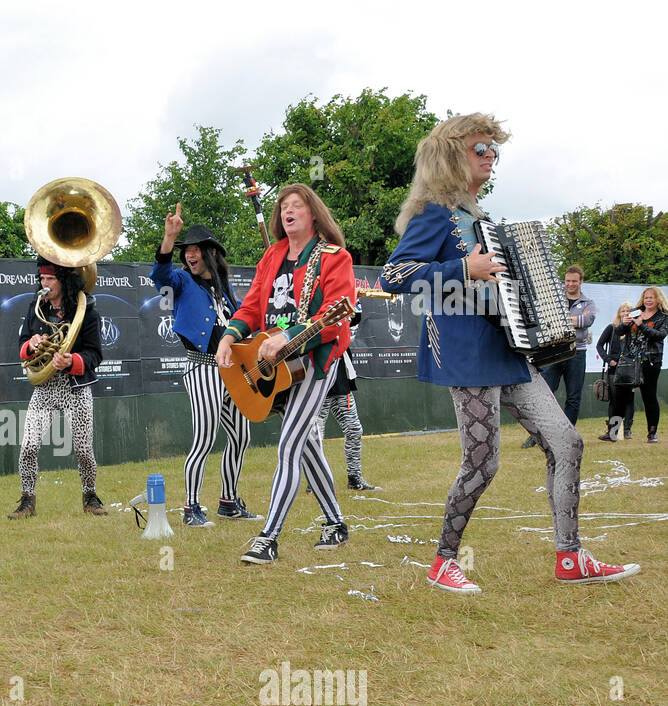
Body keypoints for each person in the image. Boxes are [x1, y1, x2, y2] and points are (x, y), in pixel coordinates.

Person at [379, 113, 639, 592]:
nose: (490, 156)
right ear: (451, 155)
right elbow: (392, 278)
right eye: (480, 148)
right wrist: (463, 267)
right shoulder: (433, 213)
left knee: (567, 442)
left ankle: (570, 556)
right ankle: (444, 561)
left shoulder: (481, 219)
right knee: (483, 462)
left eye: (494, 150)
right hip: (465, 352)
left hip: (507, 350)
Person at [215, 183, 354, 564]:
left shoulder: (334, 257)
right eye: (283, 207)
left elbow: (334, 320)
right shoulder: (272, 254)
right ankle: (337, 523)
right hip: (276, 368)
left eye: (297, 206)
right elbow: (252, 305)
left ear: (313, 214)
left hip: (314, 362)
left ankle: (268, 537)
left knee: (289, 444)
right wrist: (230, 336)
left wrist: (289, 337)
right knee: (305, 443)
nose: (288, 211)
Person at [151, 206, 257, 527]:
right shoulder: (182, 280)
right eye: (187, 252)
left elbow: (238, 326)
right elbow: (160, 276)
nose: (190, 256)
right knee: (205, 439)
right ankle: (191, 508)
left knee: (241, 436)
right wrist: (170, 237)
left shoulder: (225, 290)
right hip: (202, 369)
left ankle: (228, 501)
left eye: (195, 250)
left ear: (211, 253)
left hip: (230, 371)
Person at [9, 256, 106, 520]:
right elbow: (22, 345)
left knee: (84, 448)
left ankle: (90, 496)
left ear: (63, 280)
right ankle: (27, 499)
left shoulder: (87, 312)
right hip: (44, 386)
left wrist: (71, 360)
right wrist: (31, 345)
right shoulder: (36, 307)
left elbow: (95, 355)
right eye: (42, 278)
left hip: (75, 386)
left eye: (50, 279)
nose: (45, 283)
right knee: (28, 444)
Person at [522, 265, 596, 446]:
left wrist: (563, 319)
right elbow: (545, 318)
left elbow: (587, 321)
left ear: (581, 282)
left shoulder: (589, 303)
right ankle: (537, 435)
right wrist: (573, 320)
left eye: (574, 281)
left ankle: (566, 436)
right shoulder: (555, 299)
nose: (570, 284)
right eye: (568, 281)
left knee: (573, 396)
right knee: (545, 394)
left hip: (576, 352)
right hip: (554, 351)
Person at [314, 340, 381, 492]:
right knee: (316, 435)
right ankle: (314, 481)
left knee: (354, 429)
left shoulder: (343, 320)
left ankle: (354, 478)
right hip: (319, 382)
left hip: (341, 381)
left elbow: (355, 318)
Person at [629, 287, 666, 442]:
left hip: (651, 361)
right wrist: (625, 323)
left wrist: (641, 324)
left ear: (658, 299)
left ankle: (652, 432)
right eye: (646, 298)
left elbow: (660, 335)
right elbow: (620, 331)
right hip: (631, 360)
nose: (648, 300)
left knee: (648, 396)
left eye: (651, 298)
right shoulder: (635, 312)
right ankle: (617, 431)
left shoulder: (663, 317)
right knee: (622, 394)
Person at [596, 302, 637, 441]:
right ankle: (613, 432)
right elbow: (599, 345)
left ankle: (627, 431)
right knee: (614, 401)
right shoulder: (612, 328)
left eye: (629, 311)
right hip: (614, 369)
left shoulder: (635, 328)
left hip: (630, 370)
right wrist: (609, 360)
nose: (626, 313)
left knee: (629, 400)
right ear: (619, 313)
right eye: (623, 311)